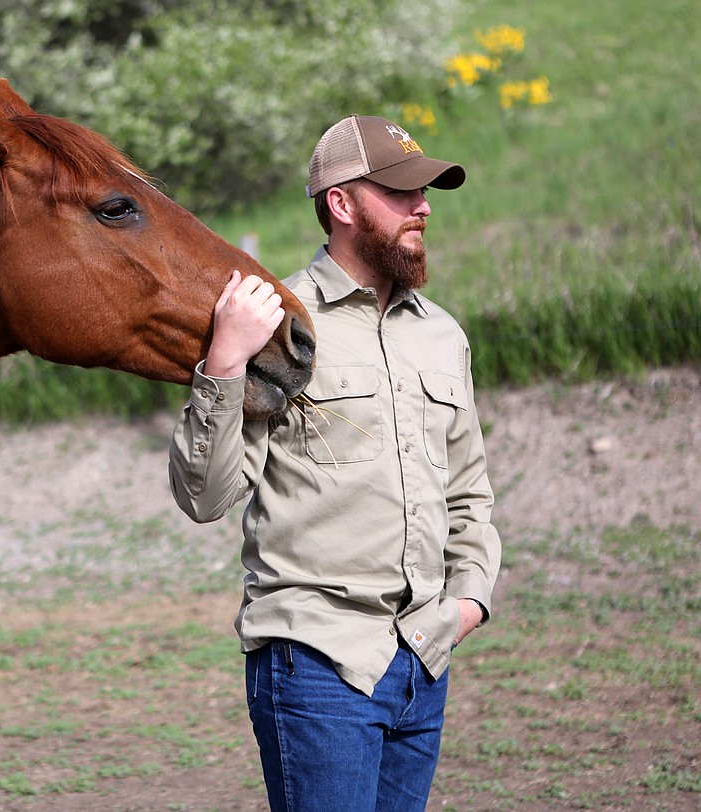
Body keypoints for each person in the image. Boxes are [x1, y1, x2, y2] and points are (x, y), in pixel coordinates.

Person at [168, 115, 502, 811]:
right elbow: (207, 495)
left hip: (424, 661)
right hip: (317, 665)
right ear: (342, 204)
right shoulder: (279, 325)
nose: (425, 207)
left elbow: (469, 492)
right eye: (403, 193)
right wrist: (224, 360)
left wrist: (467, 601)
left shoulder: (443, 336)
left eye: (426, 191)